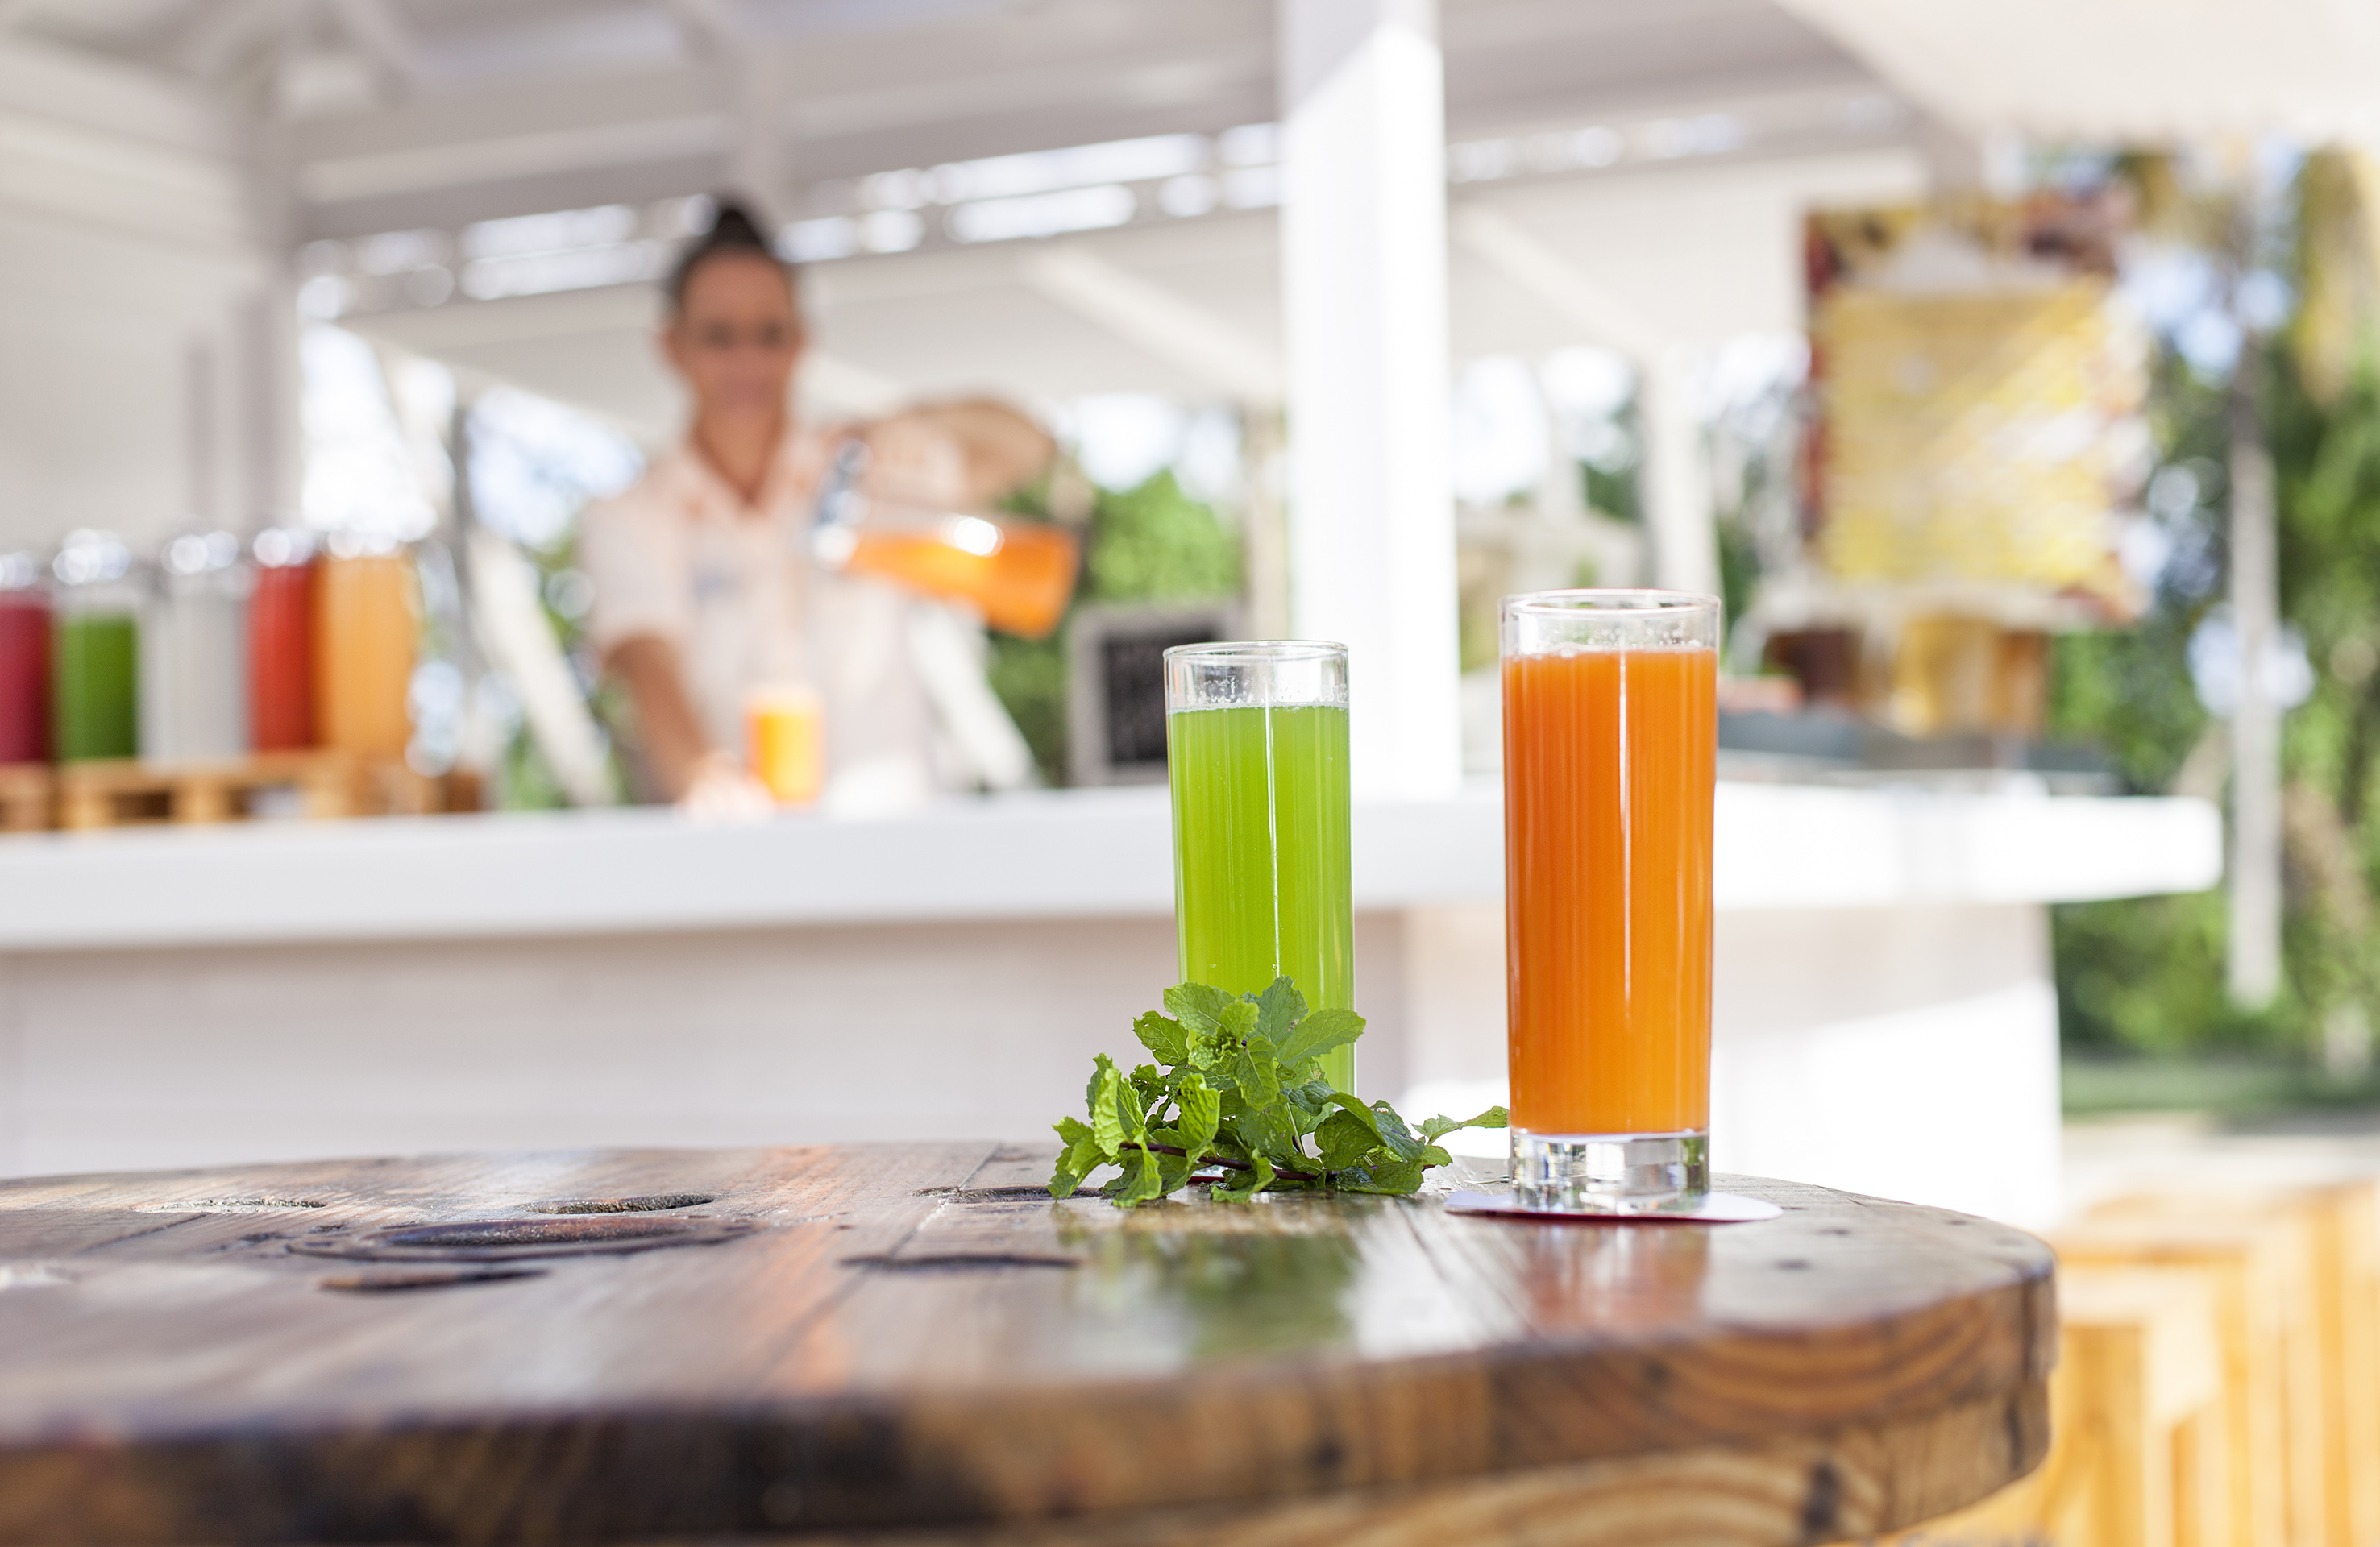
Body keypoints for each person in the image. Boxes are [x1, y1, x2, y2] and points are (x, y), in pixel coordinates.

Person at [578, 201, 1054, 812]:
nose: (747, 362)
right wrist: (703, 778)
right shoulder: (630, 517)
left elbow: (1031, 445)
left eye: (769, 334)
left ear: (802, 340)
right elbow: (648, 668)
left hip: (895, 837)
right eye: (719, 337)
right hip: (744, 848)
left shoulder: (863, 465)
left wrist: (923, 420)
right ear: (673, 345)